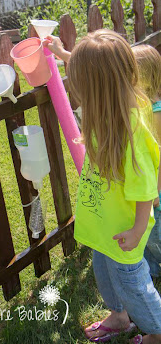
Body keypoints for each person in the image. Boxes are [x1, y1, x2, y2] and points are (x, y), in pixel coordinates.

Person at [45, 30, 161, 344]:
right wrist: (63, 53)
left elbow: (146, 190)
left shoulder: (130, 133)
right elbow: (103, 68)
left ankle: (155, 333)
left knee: (134, 285)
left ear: (96, 88)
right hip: (104, 226)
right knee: (105, 274)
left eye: (80, 82)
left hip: (124, 231)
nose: (76, 88)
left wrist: (137, 230)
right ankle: (120, 317)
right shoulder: (109, 111)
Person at [132, 44, 161, 278]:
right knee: (148, 238)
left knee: (157, 235)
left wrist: (155, 192)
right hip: (148, 188)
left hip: (157, 194)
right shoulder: (143, 106)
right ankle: (150, 273)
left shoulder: (157, 113)